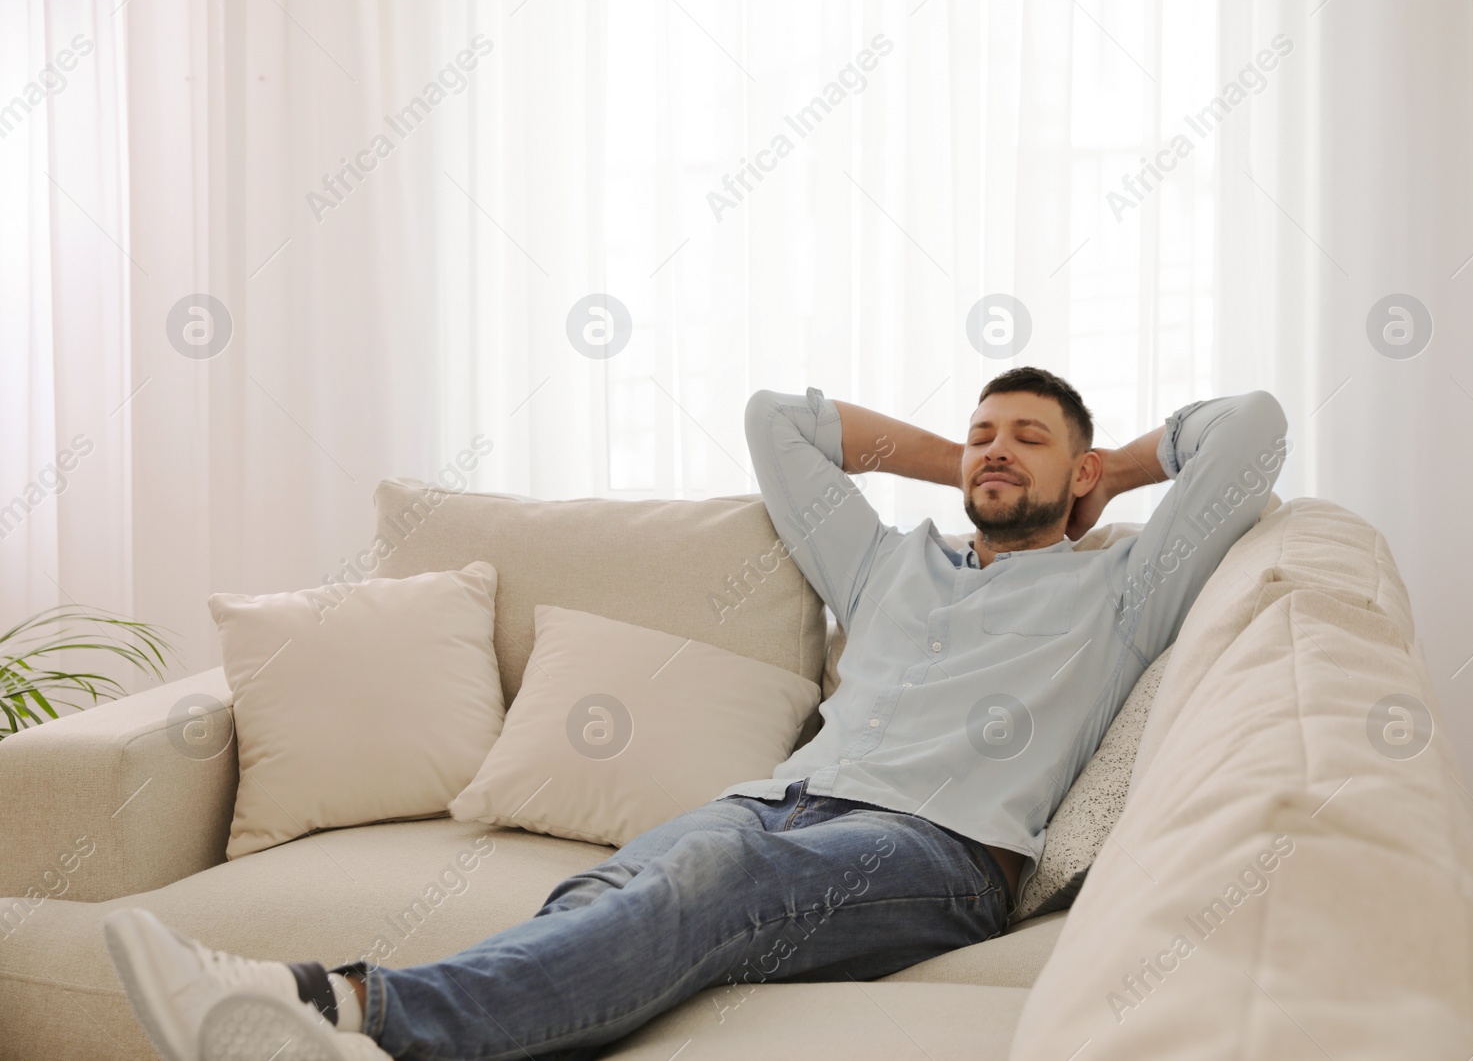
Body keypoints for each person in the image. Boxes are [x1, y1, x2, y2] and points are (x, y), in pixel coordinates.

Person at [104, 366, 1288, 1061]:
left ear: (1080, 472)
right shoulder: (885, 566)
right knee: (614, 888)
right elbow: (780, 418)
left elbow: (1251, 429)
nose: (994, 450)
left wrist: (1103, 475)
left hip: (937, 849)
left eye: (1026, 439)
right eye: (983, 432)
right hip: (778, 800)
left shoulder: (1122, 589)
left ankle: (347, 1007)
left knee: (704, 872)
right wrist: (962, 463)